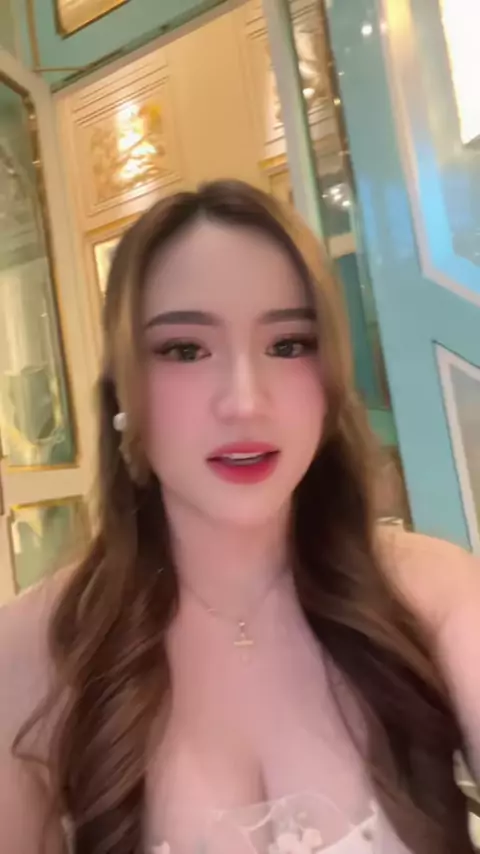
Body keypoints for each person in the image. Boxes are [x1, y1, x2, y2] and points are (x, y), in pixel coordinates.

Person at [0, 180, 479, 854]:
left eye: (289, 344)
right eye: (184, 350)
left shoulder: (435, 595)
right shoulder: (32, 652)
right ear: (123, 388)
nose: (245, 401)